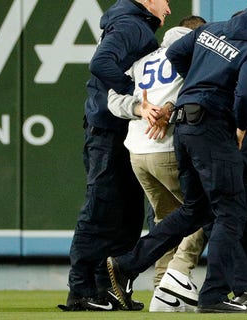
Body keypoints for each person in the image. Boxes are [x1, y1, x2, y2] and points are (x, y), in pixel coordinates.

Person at [105, 1, 247, 313]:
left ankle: (128, 263)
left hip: (184, 127)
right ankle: (213, 295)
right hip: (213, 130)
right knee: (232, 212)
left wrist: (196, 86)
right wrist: (244, 123)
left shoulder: (213, 29)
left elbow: (176, 53)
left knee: (194, 210)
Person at [58, 0, 171, 312]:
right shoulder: (129, 24)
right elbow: (101, 63)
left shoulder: (133, 23)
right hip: (107, 131)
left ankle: (107, 289)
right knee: (101, 211)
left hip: (123, 132)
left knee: (128, 216)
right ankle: (81, 290)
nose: (168, 8)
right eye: (165, 1)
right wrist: (133, 93)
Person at [107, 16, 208, 313]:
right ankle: (175, 277)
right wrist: (168, 110)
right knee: (202, 213)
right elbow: (199, 94)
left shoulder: (143, 59)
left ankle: (162, 291)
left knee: (166, 220)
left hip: (137, 152)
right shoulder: (193, 54)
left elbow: (112, 99)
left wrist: (141, 109)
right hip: (169, 147)